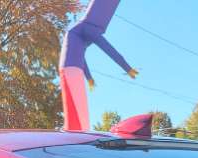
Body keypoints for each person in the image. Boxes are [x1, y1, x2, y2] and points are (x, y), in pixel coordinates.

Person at [59, 0, 139, 130]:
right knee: (77, 117)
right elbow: (108, 48)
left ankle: (76, 135)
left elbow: (80, 55)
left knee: (78, 113)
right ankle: (76, 139)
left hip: (72, 69)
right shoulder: (89, 28)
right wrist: (127, 68)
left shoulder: (79, 31)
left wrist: (89, 78)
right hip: (71, 70)